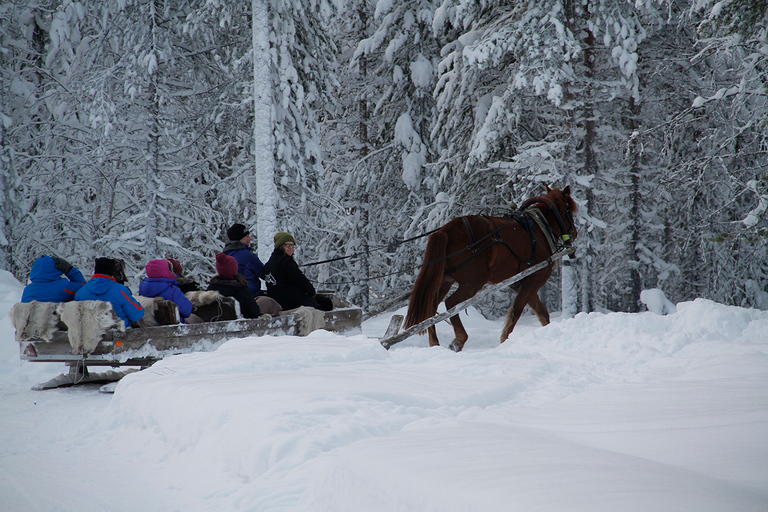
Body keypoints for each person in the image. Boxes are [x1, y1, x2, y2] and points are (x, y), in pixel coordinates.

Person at [263, 232, 333, 312]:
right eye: (287, 245)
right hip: (292, 301)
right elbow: (301, 280)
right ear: (280, 246)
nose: (291, 248)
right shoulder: (286, 262)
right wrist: (312, 293)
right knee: (326, 305)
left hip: (278, 301)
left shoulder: (269, 263)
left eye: (292, 245)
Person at [75, 257, 144, 328]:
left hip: (91, 335)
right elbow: (137, 315)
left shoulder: (81, 292)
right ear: (112, 272)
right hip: (119, 335)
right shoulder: (120, 290)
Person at [139, 259, 203, 324]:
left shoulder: (143, 289)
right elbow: (187, 311)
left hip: (151, 325)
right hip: (175, 327)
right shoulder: (171, 289)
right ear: (166, 271)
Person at [206, 253, 262, 319]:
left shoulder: (212, 287)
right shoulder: (242, 289)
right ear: (234, 269)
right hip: (240, 326)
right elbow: (254, 312)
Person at [223, 223, 266, 298]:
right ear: (240, 239)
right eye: (247, 236)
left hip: (233, 298)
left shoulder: (225, 256)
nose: (250, 239)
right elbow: (265, 274)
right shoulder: (247, 256)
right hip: (251, 296)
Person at [21, 255, 86, 303]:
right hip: (53, 320)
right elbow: (83, 287)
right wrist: (69, 269)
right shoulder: (63, 287)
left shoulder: (27, 290)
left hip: (33, 320)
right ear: (55, 269)